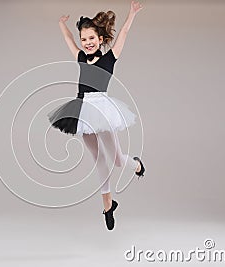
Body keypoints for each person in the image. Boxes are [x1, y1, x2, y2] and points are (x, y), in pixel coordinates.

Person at [47, 0, 145, 231]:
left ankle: (136, 164)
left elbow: (124, 32)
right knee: (98, 159)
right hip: (82, 108)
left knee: (118, 160)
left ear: (100, 39)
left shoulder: (110, 58)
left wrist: (131, 14)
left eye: (91, 38)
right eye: (84, 39)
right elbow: (68, 40)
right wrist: (62, 24)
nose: (87, 43)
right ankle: (107, 205)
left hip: (102, 108)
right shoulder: (81, 57)